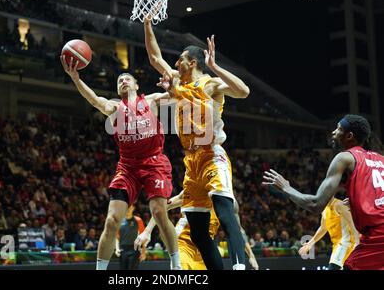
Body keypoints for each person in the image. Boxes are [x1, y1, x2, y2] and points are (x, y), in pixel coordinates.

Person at [144, 14, 250, 270]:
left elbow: (243, 91)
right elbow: (155, 58)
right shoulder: (177, 83)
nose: (175, 62)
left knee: (225, 215)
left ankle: (240, 268)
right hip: (191, 162)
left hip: (212, 155)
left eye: (179, 58)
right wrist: (147, 23)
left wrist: (215, 65)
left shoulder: (210, 84)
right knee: (198, 233)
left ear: (191, 63)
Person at [60, 56, 181, 270]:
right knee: (111, 220)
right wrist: (76, 78)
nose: (123, 81)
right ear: (118, 91)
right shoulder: (115, 108)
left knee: (160, 213)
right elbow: (95, 100)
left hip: (154, 162)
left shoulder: (151, 100)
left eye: (127, 78)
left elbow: (178, 95)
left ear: (136, 85)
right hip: (127, 167)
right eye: (119, 81)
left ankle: (176, 265)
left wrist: (172, 86)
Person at [263, 115, 384, 270]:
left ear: (349, 136)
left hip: (377, 238)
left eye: (339, 128)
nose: (333, 132)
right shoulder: (381, 159)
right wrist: (360, 200)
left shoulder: (345, 157)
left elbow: (315, 204)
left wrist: (286, 187)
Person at [134, 191, 259, 270]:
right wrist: (147, 231)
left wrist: (251, 256)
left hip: (204, 250)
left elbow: (237, 232)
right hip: (182, 243)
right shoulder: (195, 189)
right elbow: (163, 207)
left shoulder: (230, 203)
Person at [298, 197, 359, 270]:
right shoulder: (324, 209)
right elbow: (323, 228)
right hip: (337, 245)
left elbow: (352, 223)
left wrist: (357, 243)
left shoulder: (339, 204)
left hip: (347, 244)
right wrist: (310, 243)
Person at [115, 205, 147, 269]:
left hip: (134, 249)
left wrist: (144, 251)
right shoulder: (119, 221)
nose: (128, 209)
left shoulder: (138, 220)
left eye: (130, 207)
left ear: (133, 208)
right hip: (123, 249)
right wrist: (117, 248)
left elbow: (143, 236)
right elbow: (117, 237)